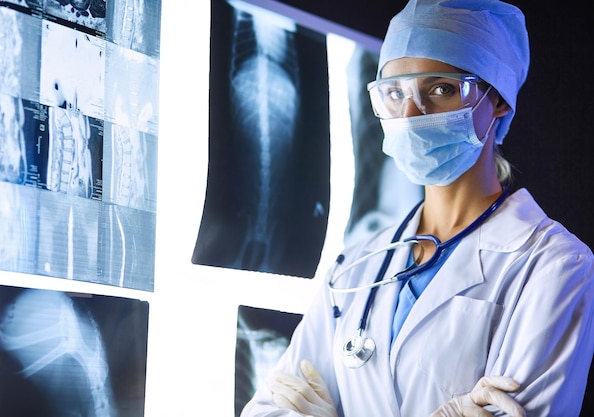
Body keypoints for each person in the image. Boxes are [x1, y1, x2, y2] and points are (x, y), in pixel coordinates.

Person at [240, 0, 594, 416]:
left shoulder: (554, 264)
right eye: (394, 93)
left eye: (440, 89)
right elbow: (270, 408)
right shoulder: (355, 266)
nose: (409, 114)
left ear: (497, 99)